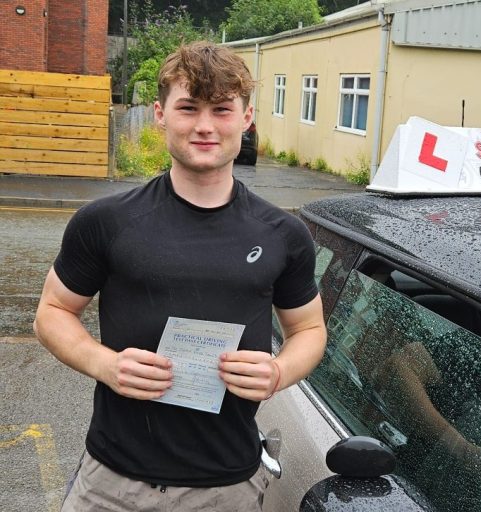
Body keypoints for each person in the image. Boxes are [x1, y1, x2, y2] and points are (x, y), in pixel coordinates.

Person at [33, 41, 327, 511]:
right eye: (188, 108)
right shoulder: (105, 221)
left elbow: (309, 329)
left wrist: (278, 371)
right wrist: (104, 364)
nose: (205, 125)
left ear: (247, 118)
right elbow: (51, 312)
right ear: (160, 114)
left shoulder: (283, 234)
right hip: (111, 483)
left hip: (227, 486)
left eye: (222, 110)